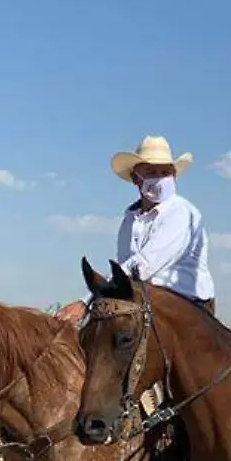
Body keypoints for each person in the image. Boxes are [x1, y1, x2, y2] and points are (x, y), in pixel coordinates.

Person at [57, 136, 213, 324]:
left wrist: (87, 301)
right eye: (151, 171)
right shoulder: (129, 219)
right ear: (135, 178)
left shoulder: (182, 213)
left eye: (165, 172)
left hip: (188, 307)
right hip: (148, 303)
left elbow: (143, 266)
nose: (159, 177)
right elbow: (127, 269)